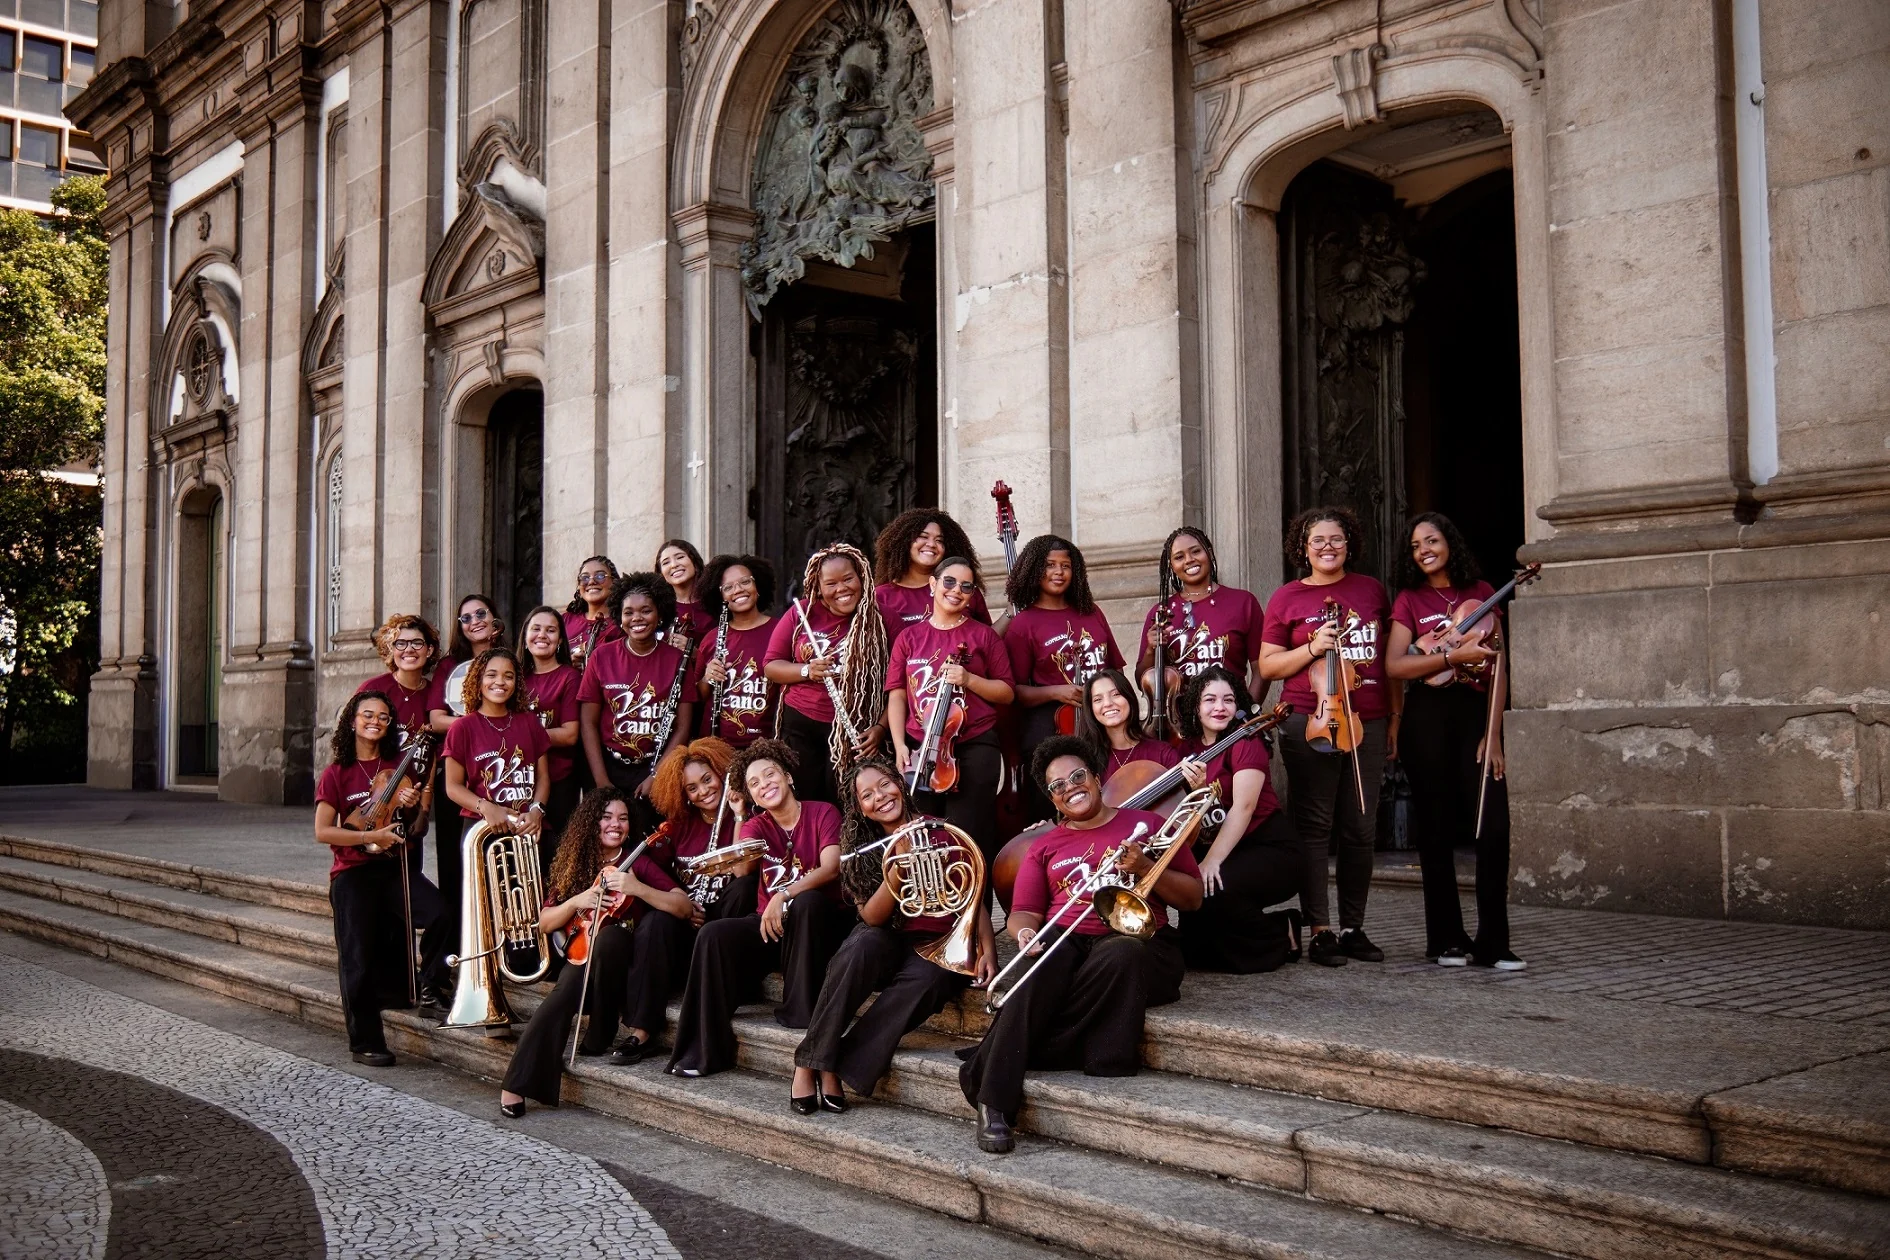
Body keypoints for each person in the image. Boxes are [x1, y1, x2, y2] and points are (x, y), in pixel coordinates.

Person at [957, 735, 1201, 1154]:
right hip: (1070, 941)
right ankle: (994, 1104)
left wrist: (1146, 866)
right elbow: (1025, 912)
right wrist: (1024, 934)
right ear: (1051, 798)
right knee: (1036, 967)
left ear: (1096, 777)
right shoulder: (1045, 845)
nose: (1070, 787)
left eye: (1077, 776)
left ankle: (994, 1054)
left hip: (1142, 945)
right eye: (1057, 786)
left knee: (1123, 949)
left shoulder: (1147, 824)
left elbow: (1193, 898)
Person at [791, 759, 996, 1113]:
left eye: (884, 785)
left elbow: (972, 894)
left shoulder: (943, 833)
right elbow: (871, 916)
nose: (880, 797)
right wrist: (899, 867)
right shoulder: (860, 852)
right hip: (887, 939)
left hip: (939, 943)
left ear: (900, 784)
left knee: (931, 979)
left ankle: (833, 1064)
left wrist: (989, 949)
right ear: (861, 810)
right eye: (867, 795)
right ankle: (808, 1063)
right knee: (861, 946)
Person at [496, 789, 696, 1116]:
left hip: (624, 971)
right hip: (583, 954)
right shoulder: (576, 863)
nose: (615, 824)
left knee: (613, 937)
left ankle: (601, 1031)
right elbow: (545, 922)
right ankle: (517, 1082)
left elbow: (683, 906)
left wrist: (636, 888)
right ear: (592, 822)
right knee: (562, 994)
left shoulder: (638, 863)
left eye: (623, 818)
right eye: (606, 817)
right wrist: (578, 900)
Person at [665, 740, 853, 1078]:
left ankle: (802, 1012)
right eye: (754, 783)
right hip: (773, 926)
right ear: (751, 795)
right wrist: (739, 815)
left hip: (819, 927)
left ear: (788, 777)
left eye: (770, 775)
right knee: (713, 934)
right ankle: (706, 1049)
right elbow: (740, 871)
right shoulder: (755, 826)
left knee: (807, 902)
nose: (764, 784)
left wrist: (784, 895)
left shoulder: (823, 812)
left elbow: (830, 868)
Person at [1260, 506, 1397, 968]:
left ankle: (1354, 927)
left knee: (1361, 827)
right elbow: (1268, 666)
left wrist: (1394, 719)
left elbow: (1388, 662)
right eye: (1317, 540)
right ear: (1303, 547)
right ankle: (1320, 929)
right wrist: (1313, 647)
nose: (1327, 547)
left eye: (1336, 539)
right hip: (1309, 717)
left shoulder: (1371, 590)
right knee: (1315, 826)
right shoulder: (1287, 597)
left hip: (1368, 719)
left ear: (1349, 544)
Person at [1386, 512, 1524, 971]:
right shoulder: (1409, 600)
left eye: (1432, 540)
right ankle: (1446, 937)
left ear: (1450, 543)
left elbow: (1500, 664)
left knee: (1492, 824)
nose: (1424, 549)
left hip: (1474, 714)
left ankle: (1494, 941)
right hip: (1427, 717)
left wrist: (1494, 732)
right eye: (1415, 545)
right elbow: (1394, 666)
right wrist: (1447, 654)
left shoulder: (1482, 593)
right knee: (1437, 828)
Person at [314, 691, 448, 1066]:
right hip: (353, 874)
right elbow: (324, 831)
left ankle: (430, 985)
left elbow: (405, 825)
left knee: (439, 913)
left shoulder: (396, 767)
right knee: (357, 957)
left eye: (384, 717)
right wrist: (367, 837)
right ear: (352, 721)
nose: (375, 721)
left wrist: (408, 806)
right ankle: (365, 1041)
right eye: (367, 714)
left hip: (392, 867)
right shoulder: (336, 773)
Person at [885, 555, 1016, 867]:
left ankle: (975, 913)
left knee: (969, 835)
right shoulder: (909, 638)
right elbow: (898, 695)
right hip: (921, 748)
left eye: (966, 586)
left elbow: (1007, 692)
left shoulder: (982, 636)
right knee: (922, 836)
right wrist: (901, 744)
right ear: (933, 585)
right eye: (949, 581)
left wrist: (969, 679)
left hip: (974, 744)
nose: (956, 590)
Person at [1173, 667, 1304, 973]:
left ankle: (1280, 931)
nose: (1220, 707)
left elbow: (1243, 808)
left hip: (1270, 848)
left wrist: (1211, 862)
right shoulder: (1188, 749)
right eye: (1210, 700)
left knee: (1213, 891)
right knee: (1194, 941)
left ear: (1238, 705)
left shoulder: (1246, 741)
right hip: (1228, 847)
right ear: (1195, 705)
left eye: (1228, 700)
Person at [1002, 535, 1124, 822]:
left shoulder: (1092, 612)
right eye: (1050, 565)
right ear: (1034, 569)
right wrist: (1056, 692)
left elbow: (1115, 669)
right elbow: (1014, 692)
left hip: (1100, 720)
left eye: (1066, 566)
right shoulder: (1024, 623)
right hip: (1051, 726)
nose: (1059, 572)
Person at [762, 542, 888, 805]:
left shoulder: (882, 616)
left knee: (846, 802)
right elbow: (772, 666)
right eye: (831, 584)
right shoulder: (801, 613)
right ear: (817, 587)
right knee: (803, 800)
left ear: (862, 577)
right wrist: (807, 670)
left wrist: (880, 728)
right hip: (800, 725)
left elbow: (898, 684)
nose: (841, 589)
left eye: (848, 579)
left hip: (854, 729)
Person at [579, 571, 696, 840]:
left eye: (646, 611)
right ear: (619, 616)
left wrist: (657, 775)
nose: (637, 619)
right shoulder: (602, 656)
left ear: (659, 614)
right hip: (608, 764)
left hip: (655, 764)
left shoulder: (678, 659)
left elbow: (683, 726)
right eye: (629, 612)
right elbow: (588, 723)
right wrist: (601, 782)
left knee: (650, 841)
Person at [426, 594, 506, 955]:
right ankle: (461, 947)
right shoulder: (450, 665)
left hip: (502, 774)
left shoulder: (509, 658)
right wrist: (475, 725)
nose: (473, 621)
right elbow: (435, 718)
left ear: (494, 619)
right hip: (458, 774)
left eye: (480, 614)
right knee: (455, 863)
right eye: (464, 618)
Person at [1135, 527, 1268, 730]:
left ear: (1209, 552)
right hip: (1178, 726)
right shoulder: (1160, 612)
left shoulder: (1243, 602)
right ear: (1171, 565)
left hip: (1230, 719)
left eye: (1196, 551)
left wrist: (1247, 715)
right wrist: (1150, 650)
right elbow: (1143, 680)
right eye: (1179, 557)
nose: (1189, 560)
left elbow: (1262, 670)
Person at [442, 647, 552, 851]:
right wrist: (486, 807)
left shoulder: (529, 722)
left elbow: (543, 777)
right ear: (478, 680)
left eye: (508, 676)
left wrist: (537, 810)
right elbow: (452, 786)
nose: (500, 682)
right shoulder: (462, 727)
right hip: (483, 827)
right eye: (491, 675)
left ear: (516, 683)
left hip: (527, 827)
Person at [517, 606, 583, 873]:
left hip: (559, 781)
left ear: (560, 640)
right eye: (536, 628)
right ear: (525, 636)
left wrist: (520, 736)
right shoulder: (514, 676)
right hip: (518, 781)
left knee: (553, 858)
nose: (542, 635)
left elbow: (569, 734)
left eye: (550, 630)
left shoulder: (569, 676)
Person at [694, 554, 779, 748]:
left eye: (745, 582)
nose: (738, 590)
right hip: (717, 747)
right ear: (720, 596)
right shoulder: (711, 638)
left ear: (758, 587)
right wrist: (708, 678)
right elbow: (696, 697)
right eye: (728, 587)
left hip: (765, 746)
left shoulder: (781, 630)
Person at [871, 508, 992, 631]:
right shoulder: (881, 596)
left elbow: (987, 640)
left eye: (939, 540)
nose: (932, 544)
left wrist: (1008, 613)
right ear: (904, 541)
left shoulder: (964, 589)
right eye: (923, 537)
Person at [1073, 668, 1193, 788]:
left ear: (1129, 698)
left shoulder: (1163, 754)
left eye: (1116, 694)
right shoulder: (1085, 761)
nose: (1108, 703)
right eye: (1098, 699)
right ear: (1091, 708)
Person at [357, 614, 441, 748]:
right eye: (401, 643)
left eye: (417, 643)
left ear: (429, 650)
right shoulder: (373, 689)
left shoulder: (435, 694)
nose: (409, 649)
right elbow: (350, 739)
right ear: (392, 649)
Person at [563, 555, 623, 672]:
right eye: (584, 577)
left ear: (614, 582)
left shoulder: (622, 624)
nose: (591, 581)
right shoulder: (565, 620)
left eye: (600, 576)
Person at [656, 539, 707, 642]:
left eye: (680, 557)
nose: (674, 565)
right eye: (666, 563)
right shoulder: (658, 607)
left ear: (695, 562)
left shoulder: (715, 602)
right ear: (661, 574)